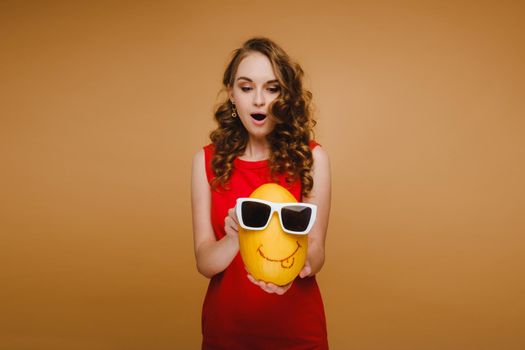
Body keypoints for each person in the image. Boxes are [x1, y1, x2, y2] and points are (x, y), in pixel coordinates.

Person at [191, 37, 331, 349]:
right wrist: (233, 237)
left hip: (298, 332)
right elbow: (204, 261)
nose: (258, 100)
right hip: (227, 333)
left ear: (285, 96)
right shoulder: (205, 161)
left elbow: (318, 248)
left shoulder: (312, 158)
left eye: (271, 88)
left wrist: (299, 267)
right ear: (231, 94)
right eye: (246, 87)